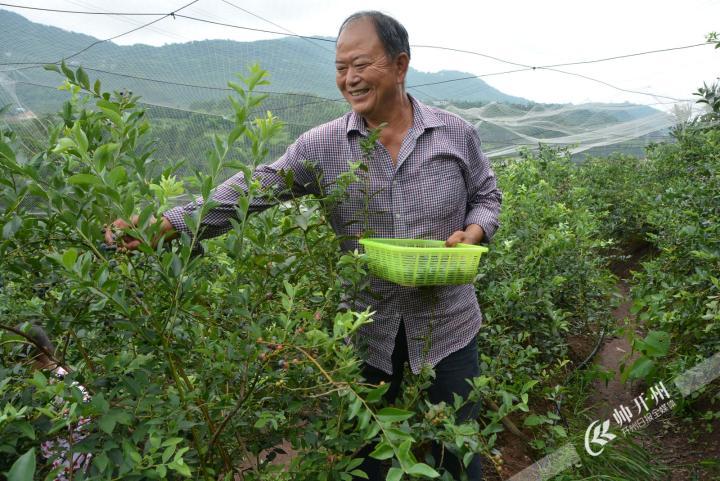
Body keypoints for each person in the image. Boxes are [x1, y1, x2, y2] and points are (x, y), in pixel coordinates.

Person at [107, 11, 501, 480]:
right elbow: (253, 189)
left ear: (400, 65)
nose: (350, 79)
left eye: (361, 64)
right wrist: (170, 223)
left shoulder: (454, 134)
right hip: (367, 330)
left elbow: (486, 195)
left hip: (449, 326)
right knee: (369, 459)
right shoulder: (324, 146)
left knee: (456, 454)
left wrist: (473, 233)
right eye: (340, 68)